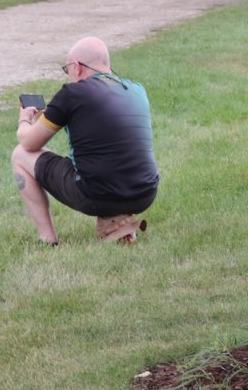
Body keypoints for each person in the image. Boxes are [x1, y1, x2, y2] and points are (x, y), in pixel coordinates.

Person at [11, 37, 159, 246]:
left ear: (77, 67)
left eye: (67, 69)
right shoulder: (137, 90)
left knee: (19, 155)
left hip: (97, 195)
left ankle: (47, 239)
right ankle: (118, 224)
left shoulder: (73, 94)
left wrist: (24, 119)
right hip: (145, 192)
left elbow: (29, 143)